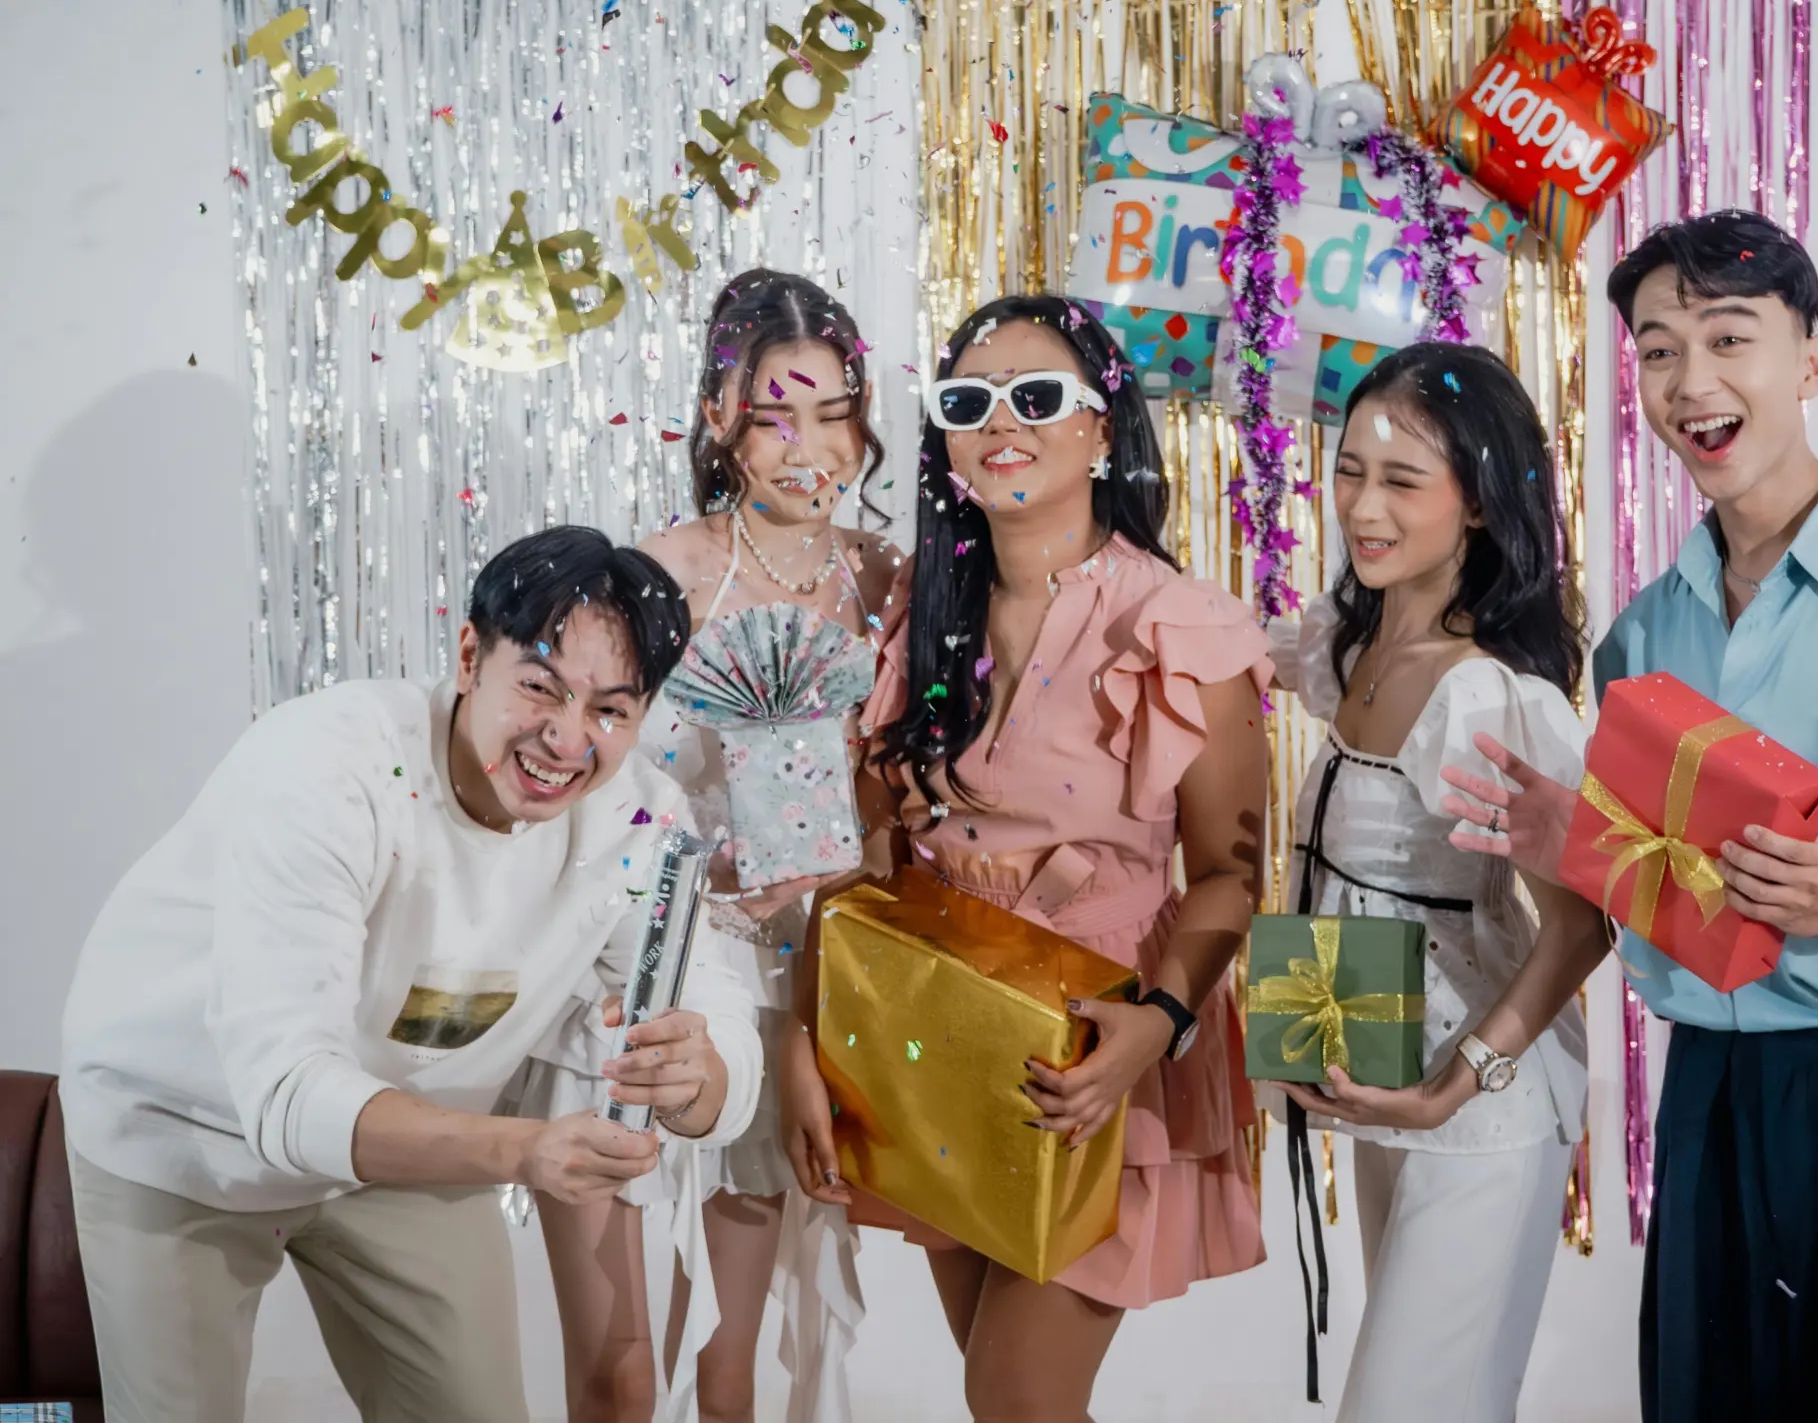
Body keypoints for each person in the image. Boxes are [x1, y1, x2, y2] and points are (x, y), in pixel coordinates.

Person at [1441, 208, 1818, 1422]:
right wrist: (1573, 846)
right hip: (1710, 1097)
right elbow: (1669, 896)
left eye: (1729, 338)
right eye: (1657, 350)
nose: (1690, 381)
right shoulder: (1641, 640)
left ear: (1811, 358)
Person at [58, 526, 764, 1423]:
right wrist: (524, 1153)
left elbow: (719, 1014)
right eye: (540, 687)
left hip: (412, 1152)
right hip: (186, 1129)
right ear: (471, 655)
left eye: (610, 712)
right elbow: (284, 1097)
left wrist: (703, 1074)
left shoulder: (636, 822)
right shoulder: (330, 766)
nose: (566, 737)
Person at [780, 295, 1271, 1421]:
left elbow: (1231, 876)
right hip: (940, 1029)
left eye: (1037, 397)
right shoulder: (919, 613)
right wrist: (810, 1028)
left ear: (1103, 430)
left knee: (1014, 1399)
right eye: (967, 403)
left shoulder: (1180, 627)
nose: (1000, 423)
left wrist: (1158, 1022)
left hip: (1101, 1048)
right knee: (1002, 1402)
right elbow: (872, 843)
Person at [528, 270, 900, 1423]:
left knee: (740, 1357)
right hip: (666, 970)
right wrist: (710, 863)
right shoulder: (659, 574)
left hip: (819, 980)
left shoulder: (889, 583)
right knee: (624, 1366)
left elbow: (896, 795)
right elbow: (586, 779)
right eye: (772, 415)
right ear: (719, 418)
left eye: (832, 413)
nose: (806, 447)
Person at [1264, 342, 1611, 1421]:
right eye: (1350, 470)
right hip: (1380, 1072)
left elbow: (1584, 923)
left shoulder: (1492, 698)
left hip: (1475, 1107)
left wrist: (1456, 1082)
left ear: (1475, 504)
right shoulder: (1344, 650)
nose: (1362, 506)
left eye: (1402, 481)